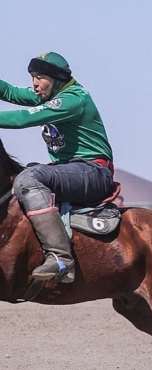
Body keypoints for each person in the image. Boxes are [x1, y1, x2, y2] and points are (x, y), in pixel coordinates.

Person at [0, 52, 114, 283]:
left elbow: (23, 118)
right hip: (71, 170)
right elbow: (10, 92)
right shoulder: (48, 96)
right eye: (32, 76)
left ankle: (61, 259)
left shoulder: (72, 99)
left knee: (28, 179)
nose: (34, 83)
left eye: (40, 77)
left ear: (58, 79)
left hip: (93, 172)